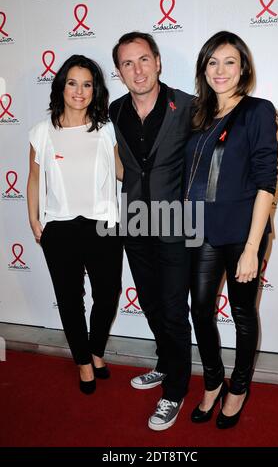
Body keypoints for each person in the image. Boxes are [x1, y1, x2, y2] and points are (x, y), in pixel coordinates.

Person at [185, 31, 278, 428]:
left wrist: (252, 248)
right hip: (200, 230)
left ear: (243, 68)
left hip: (244, 233)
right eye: (212, 62)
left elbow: (265, 182)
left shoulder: (258, 111)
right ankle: (211, 381)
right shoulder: (197, 115)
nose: (220, 71)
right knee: (201, 311)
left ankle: (238, 387)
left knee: (241, 312)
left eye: (229, 62)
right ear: (203, 69)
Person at [110, 32, 193, 430]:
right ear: (119, 71)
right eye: (128, 63)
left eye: (143, 60)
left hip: (177, 223)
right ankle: (166, 362)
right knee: (149, 301)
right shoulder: (114, 111)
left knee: (175, 309)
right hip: (135, 221)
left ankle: (175, 390)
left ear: (158, 61)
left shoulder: (189, 106)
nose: (137, 70)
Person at [27, 55, 123, 395]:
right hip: (61, 228)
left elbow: (123, 172)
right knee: (69, 299)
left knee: (108, 295)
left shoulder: (107, 127)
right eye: (72, 82)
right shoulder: (42, 131)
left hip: (104, 225)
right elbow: (34, 178)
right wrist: (33, 218)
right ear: (61, 86)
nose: (79, 91)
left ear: (95, 90)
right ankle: (83, 361)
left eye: (87, 84)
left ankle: (95, 350)